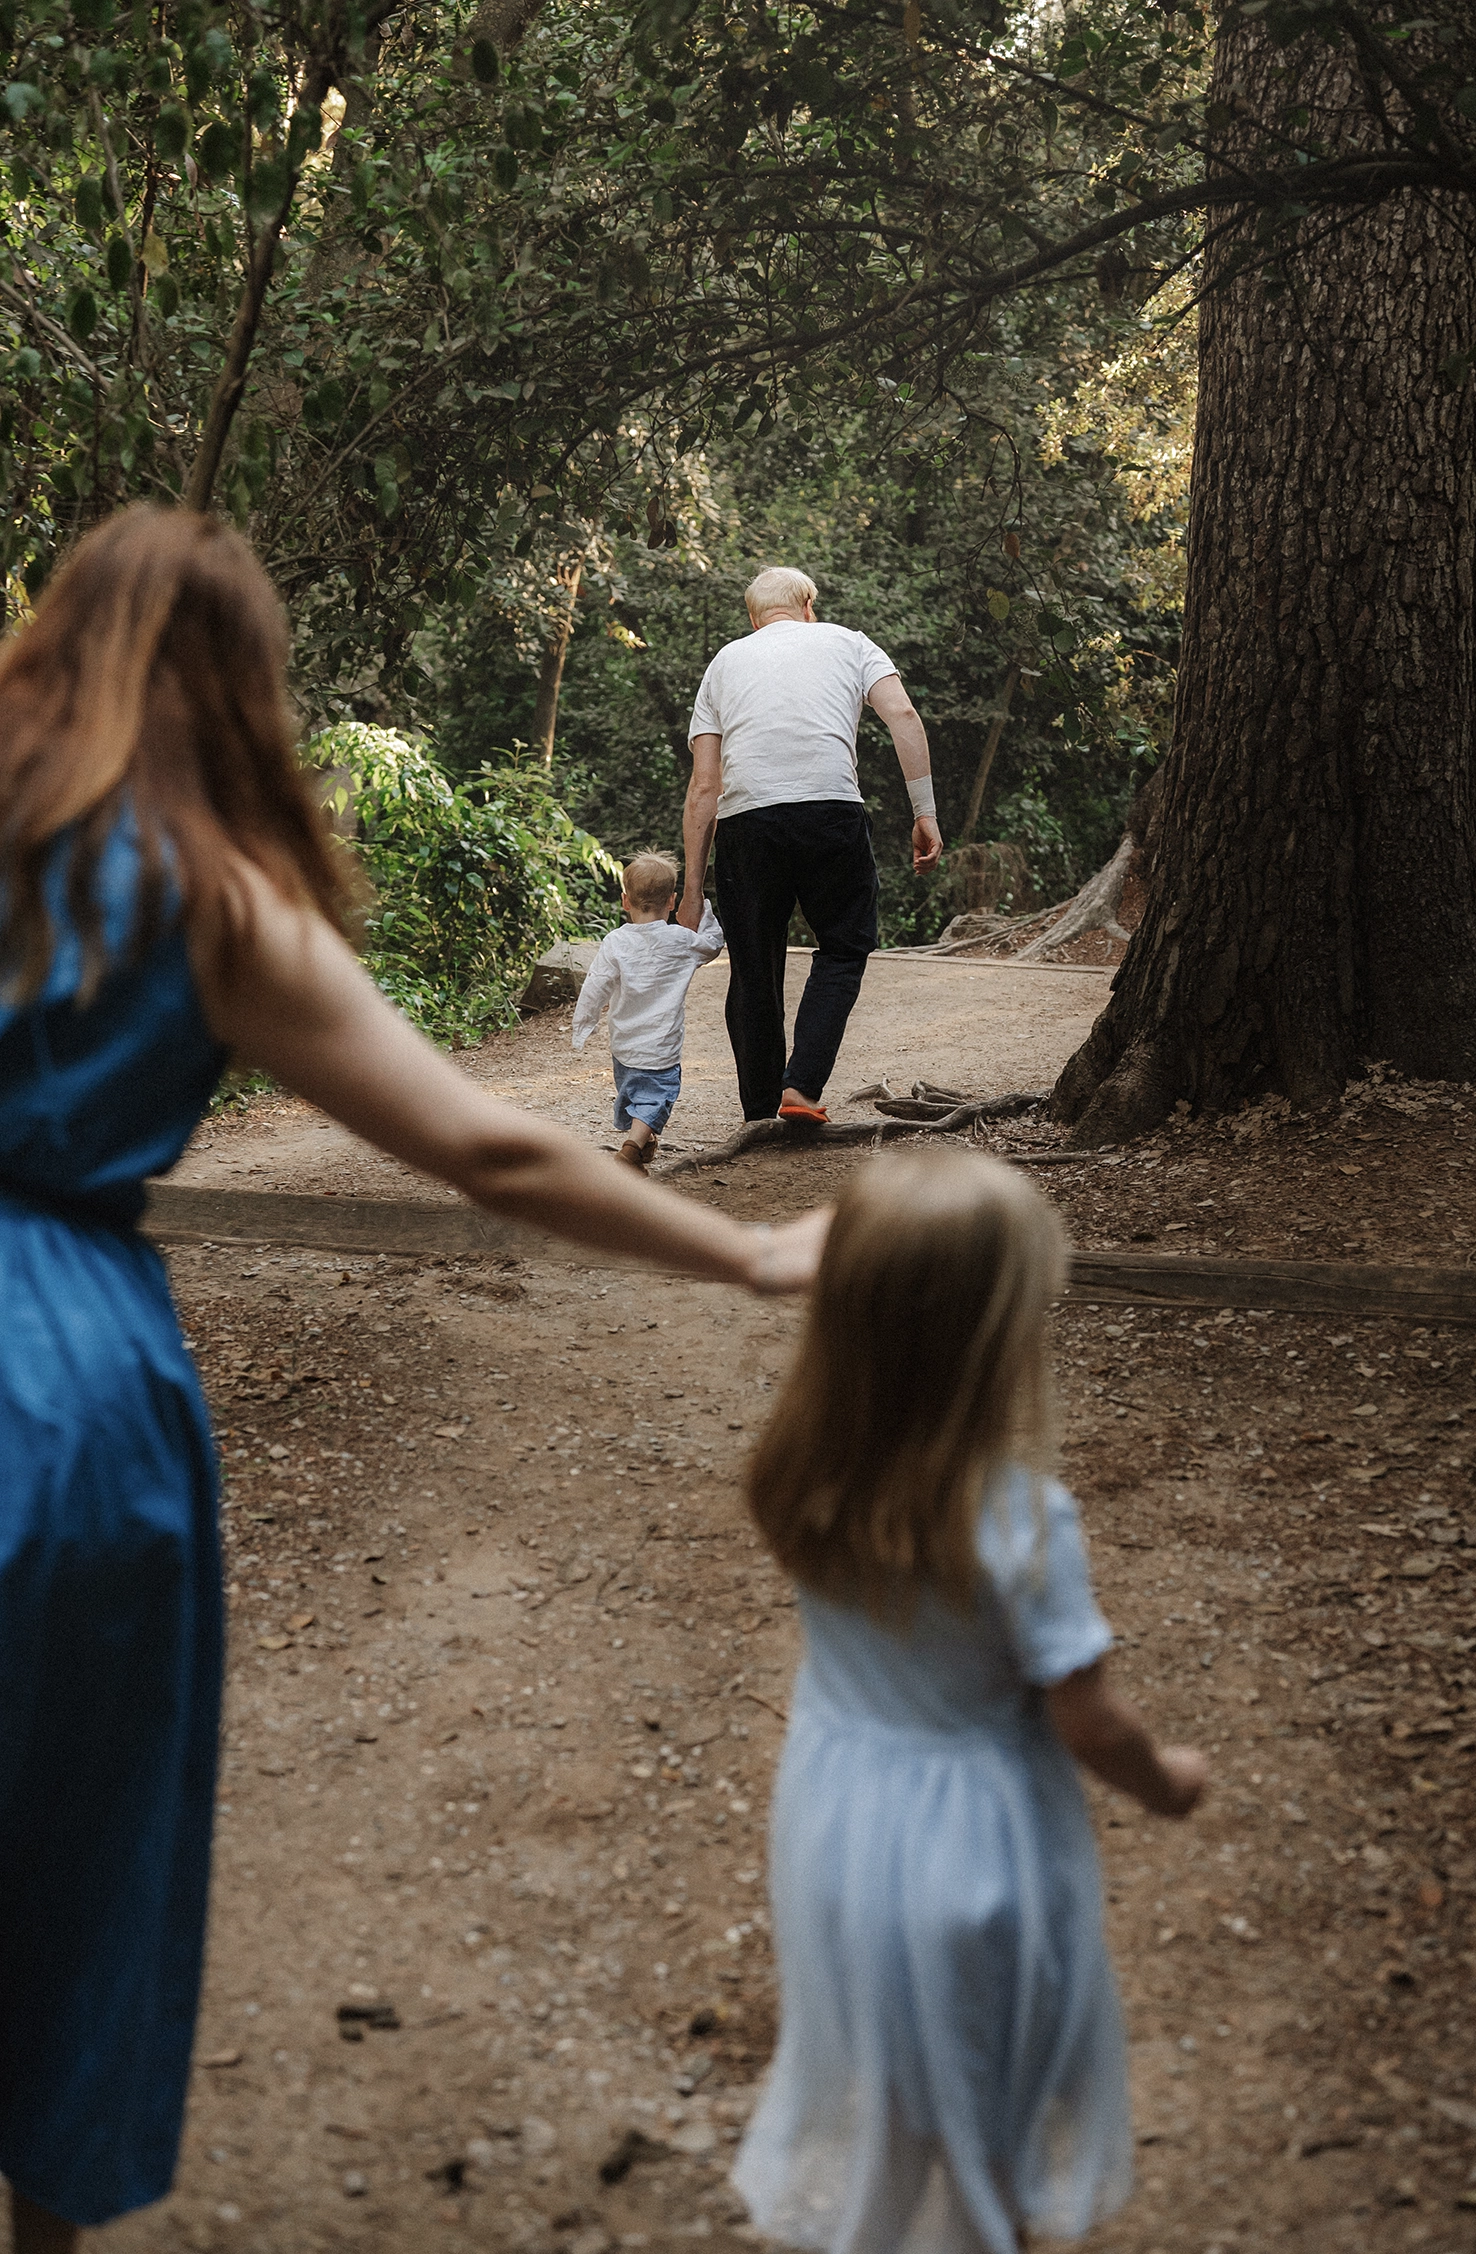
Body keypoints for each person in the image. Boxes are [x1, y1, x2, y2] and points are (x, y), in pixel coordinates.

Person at [0, 508, 825, 2254]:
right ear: (244, 693)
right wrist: (756, 1256)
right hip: (62, 1402)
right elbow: (490, 1153)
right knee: (73, 1832)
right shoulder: (213, 890)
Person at [733, 1150, 1208, 2254]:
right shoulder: (1022, 1520)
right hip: (975, 1845)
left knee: (894, 2059)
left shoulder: (802, 1467)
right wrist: (1169, 1781)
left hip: (838, 1818)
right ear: (995, 1340)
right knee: (991, 2089)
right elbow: (1086, 1717)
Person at [679, 566, 943, 1126]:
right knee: (845, 947)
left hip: (747, 825)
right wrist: (924, 812)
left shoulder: (725, 662)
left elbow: (705, 785)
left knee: (753, 964)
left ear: (754, 618)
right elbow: (903, 714)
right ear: (808, 605)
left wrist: (692, 889)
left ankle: (758, 1113)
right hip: (831, 812)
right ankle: (800, 1086)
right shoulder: (850, 643)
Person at [571, 850, 723, 1167]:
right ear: (672, 901)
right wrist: (705, 912)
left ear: (625, 901)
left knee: (635, 1096)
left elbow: (595, 984)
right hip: (661, 1045)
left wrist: (583, 1025)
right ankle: (630, 1150)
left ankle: (637, 1153)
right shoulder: (681, 940)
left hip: (624, 1044)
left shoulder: (615, 942)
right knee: (656, 1096)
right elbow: (712, 944)